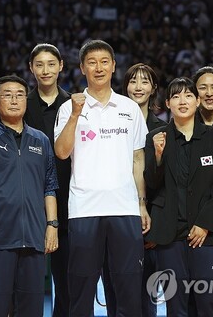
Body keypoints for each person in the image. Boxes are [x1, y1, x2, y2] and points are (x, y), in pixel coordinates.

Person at [54, 39, 149, 316]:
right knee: (81, 290)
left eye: (104, 62)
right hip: (84, 209)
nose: (99, 68)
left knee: (128, 289)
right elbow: (61, 152)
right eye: (92, 62)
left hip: (125, 209)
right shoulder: (68, 108)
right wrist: (75, 114)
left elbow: (138, 159)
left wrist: (141, 204)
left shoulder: (129, 109)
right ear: (82, 67)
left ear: (114, 66)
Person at [0, 75, 59, 316]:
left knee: (31, 311)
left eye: (19, 94)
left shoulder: (41, 139)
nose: (14, 100)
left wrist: (52, 224)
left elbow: (49, 185)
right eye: (7, 95)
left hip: (33, 240)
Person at [143, 77, 213, 317]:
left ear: (198, 101)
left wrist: (204, 224)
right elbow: (151, 183)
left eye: (189, 95)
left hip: (205, 234)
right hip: (169, 235)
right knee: (175, 305)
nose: (183, 101)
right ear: (168, 103)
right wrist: (158, 157)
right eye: (177, 96)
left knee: (208, 303)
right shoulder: (157, 137)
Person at [102, 63, 168, 317]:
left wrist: (156, 225)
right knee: (115, 293)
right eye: (133, 81)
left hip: (149, 225)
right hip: (115, 217)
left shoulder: (162, 130)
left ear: (153, 89)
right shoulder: (110, 123)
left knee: (145, 298)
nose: (138, 87)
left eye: (144, 81)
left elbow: (164, 183)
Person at [23, 43, 71, 317]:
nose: (45, 70)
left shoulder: (76, 104)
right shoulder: (21, 103)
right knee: (28, 286)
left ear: (61, 66)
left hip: (66, 203)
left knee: (66, 283)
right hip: (29, 203)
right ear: (31, 68)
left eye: (51, 64)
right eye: (39, 64)